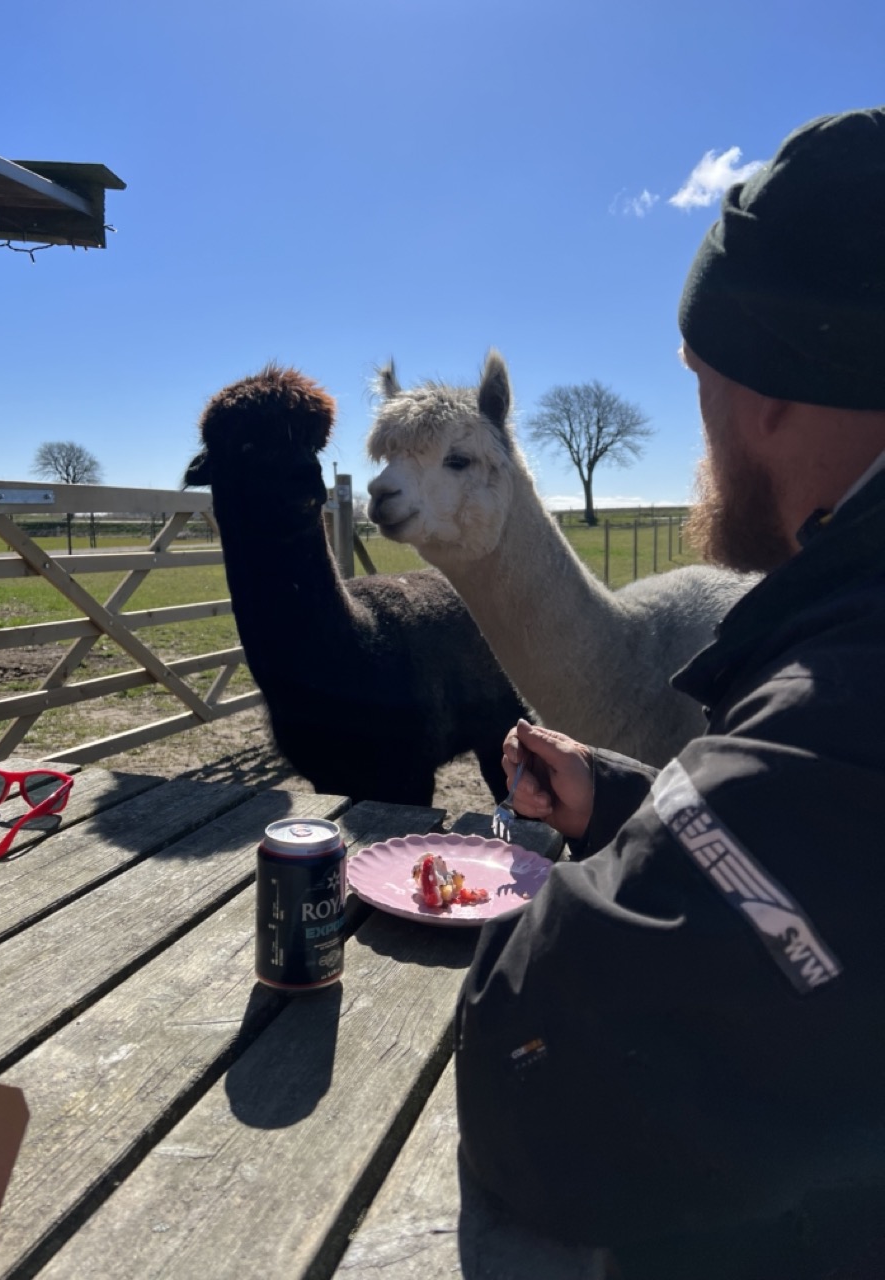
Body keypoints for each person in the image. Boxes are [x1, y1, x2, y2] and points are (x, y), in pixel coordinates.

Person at [453, 106, 885, 1280]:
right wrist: (638, 807)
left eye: (697, 374)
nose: (697, 432)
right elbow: (810, 878)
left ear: (770, 389)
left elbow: (528, 1049)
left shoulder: (843, 689)